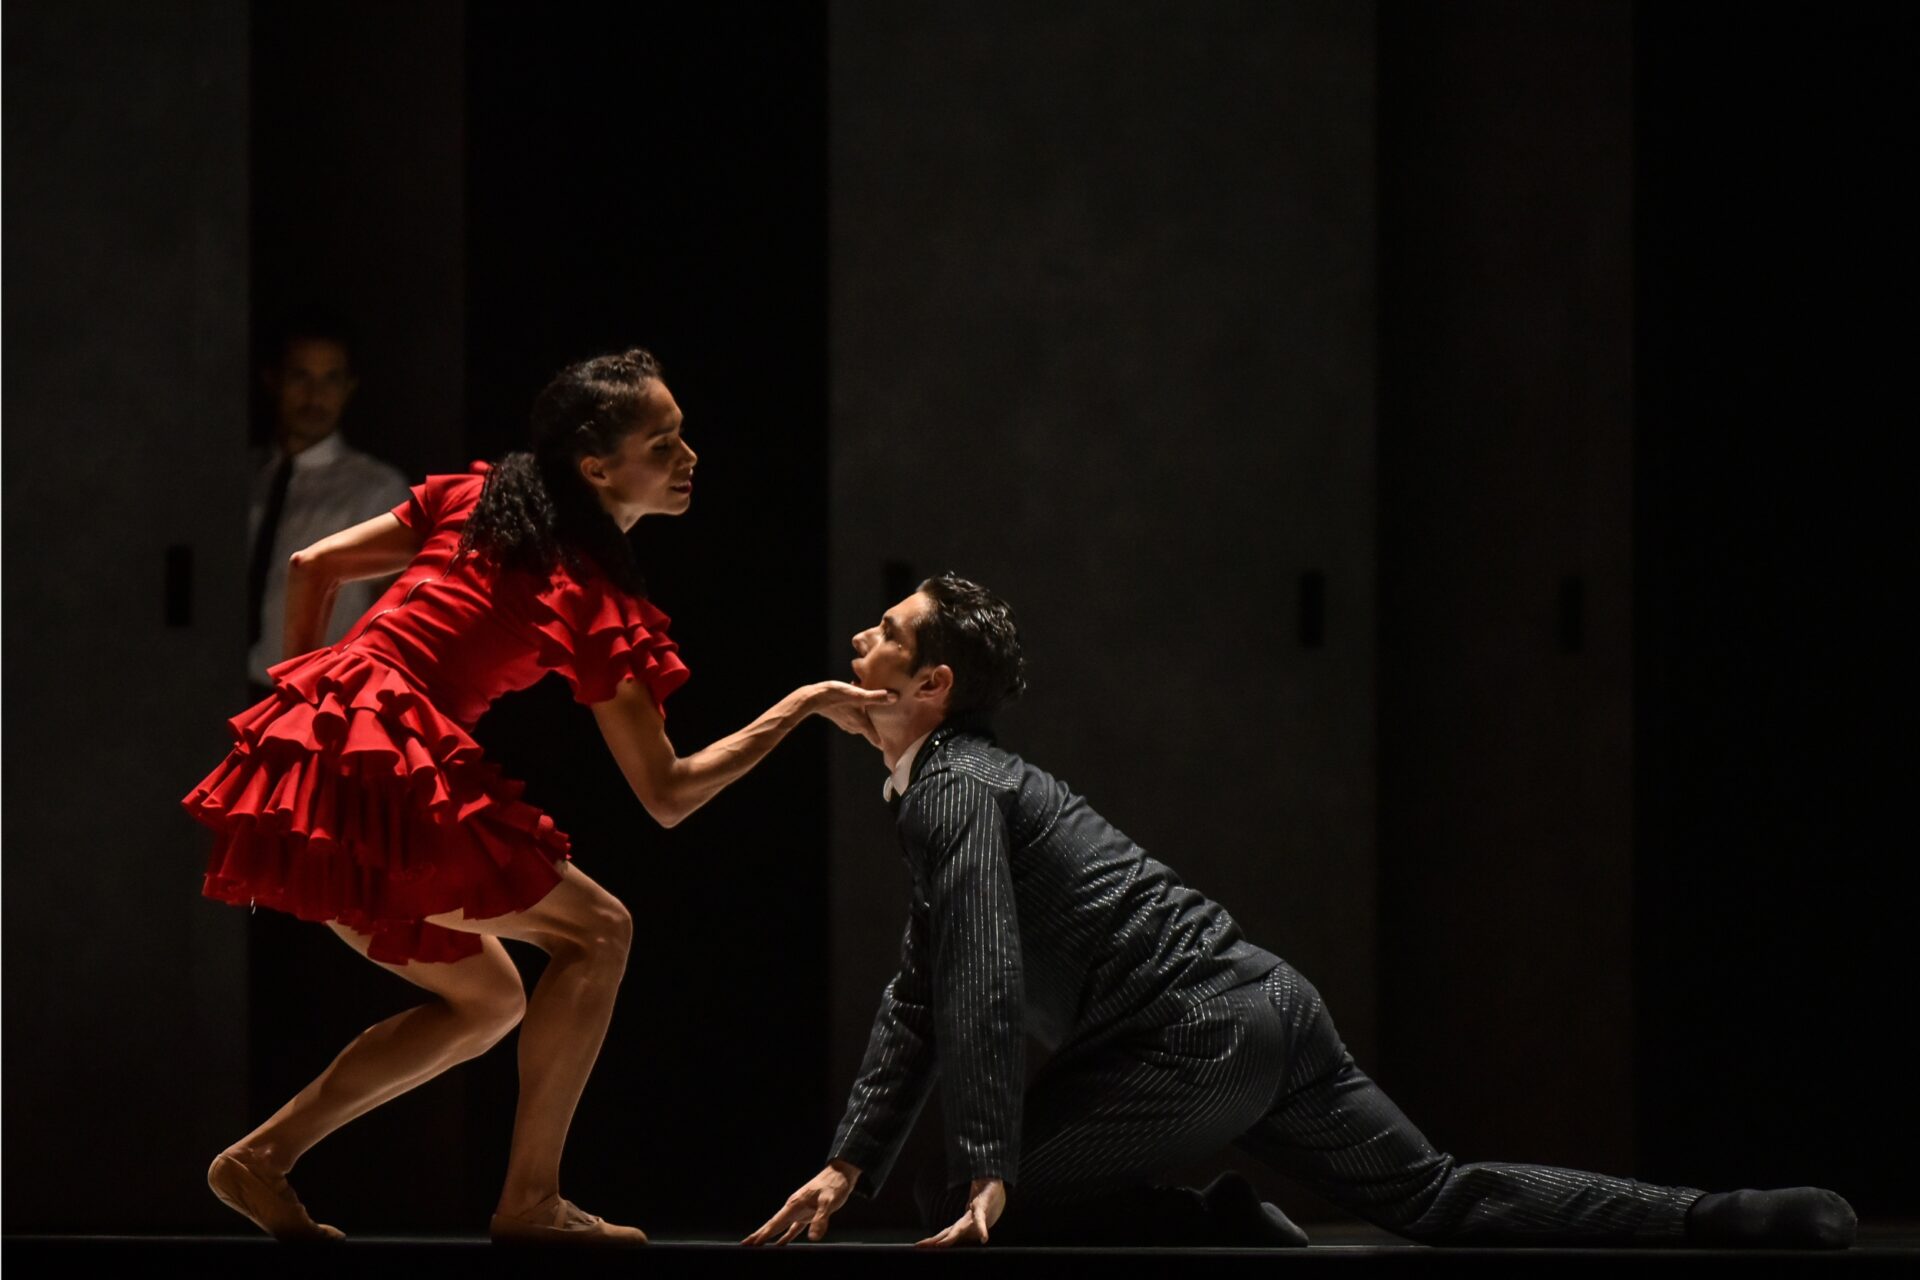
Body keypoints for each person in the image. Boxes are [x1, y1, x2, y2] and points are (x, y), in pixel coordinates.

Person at [747, 575, 1857, 1250]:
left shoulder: (954, 787)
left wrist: (988, 1161)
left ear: (929, 684)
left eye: (886, 631)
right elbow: (920, 989)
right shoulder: (960, 790)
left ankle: (1214, 1222)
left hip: (1196, 1039)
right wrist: (850, 1162)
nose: (859, 643)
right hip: (1273, 1007)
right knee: (1438, 1194)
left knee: (974, 1193)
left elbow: (979, 974)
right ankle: (1718, 1214)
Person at [186, 348, 891, 1245]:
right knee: (600, 935)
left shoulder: (478, 503)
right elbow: (668, 796)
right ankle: (529, 1203)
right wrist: (805, 705)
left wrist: (308, 698)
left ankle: (258, 1160)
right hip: (378, 765)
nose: (689, 457)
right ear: (598, 468)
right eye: (664, 441)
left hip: (315, 757)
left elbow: (310, 565)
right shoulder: (587, 595)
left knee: (487, 1001)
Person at [247, 308, 411, 696]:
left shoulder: (375, 489)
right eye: (300, 376)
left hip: (317, 694)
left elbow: (392, 612)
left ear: (349, 387)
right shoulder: (245, 475)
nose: (314, 395)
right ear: (274, 380)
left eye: (330, 379)